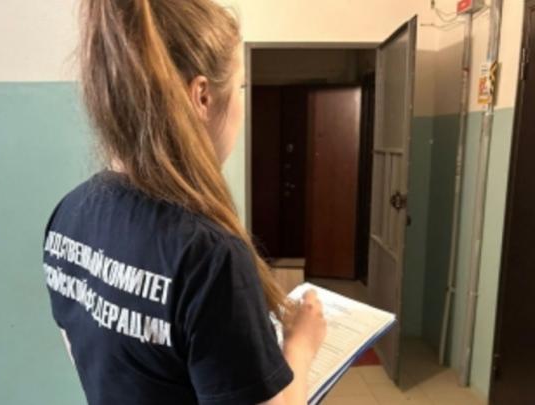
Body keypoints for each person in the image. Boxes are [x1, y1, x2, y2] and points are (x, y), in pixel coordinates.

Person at [41, 0, 327, 404]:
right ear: (202, 97)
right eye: (241, 87)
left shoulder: (67, 215)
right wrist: (301, 346)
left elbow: (88, 360)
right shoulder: (210, 256)